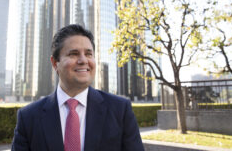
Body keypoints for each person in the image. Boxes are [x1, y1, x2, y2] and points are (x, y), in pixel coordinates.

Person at [11, 24, 144, 151]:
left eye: (88, 54)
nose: (83, 60)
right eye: (73, 54)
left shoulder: (120, 110)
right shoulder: (28, 117)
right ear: (55, 63)